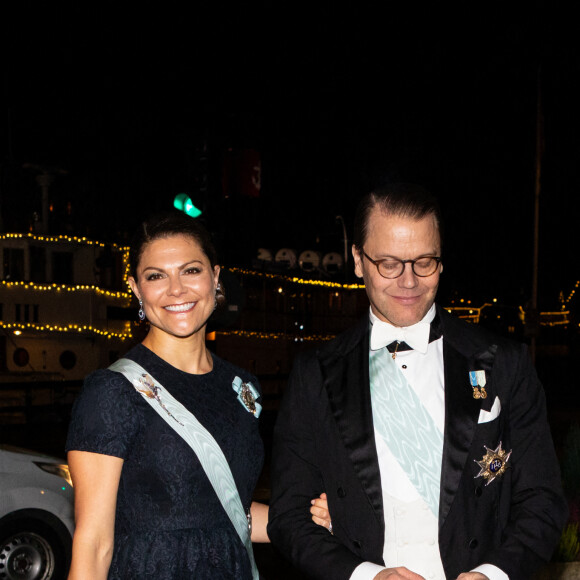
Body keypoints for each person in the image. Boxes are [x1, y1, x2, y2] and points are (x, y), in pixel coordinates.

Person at [268, 183, 567, 580]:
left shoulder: (504, 363)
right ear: (358, 260)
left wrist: (494, 573)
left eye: (424, 262)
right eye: (389, 264)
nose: (408, 282)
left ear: (441, 261)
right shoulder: (315, 374)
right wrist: (364, 574)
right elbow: (288, 516)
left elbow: (543, 500)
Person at [66, 212, 330, 579]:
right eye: (156, 276)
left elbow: (226, 512)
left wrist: (316, 519)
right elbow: (94, 542)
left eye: (191, 270)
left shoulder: (242, 387)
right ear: (135, 289)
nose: (176, 289)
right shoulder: (113, 391)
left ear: (216, 278)